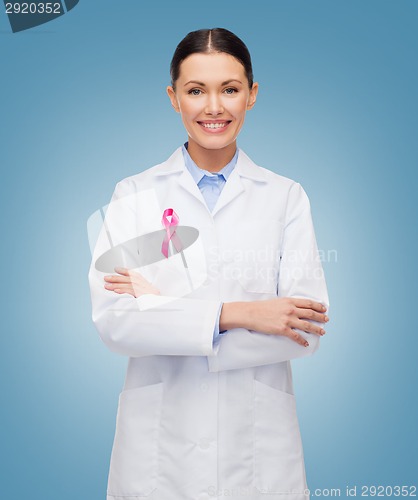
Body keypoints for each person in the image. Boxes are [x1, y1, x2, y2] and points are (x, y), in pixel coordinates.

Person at [88, 27, 329, 500]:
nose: (214, 107)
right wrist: (236, 315)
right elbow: (116, 322)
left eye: (230, 89)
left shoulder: (286, 197)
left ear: (252, 95)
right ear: (173, 97)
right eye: (196, 90)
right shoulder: (134, 195)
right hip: (157, 458)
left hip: (258, 457)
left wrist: (166, 312)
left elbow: (305, 329)